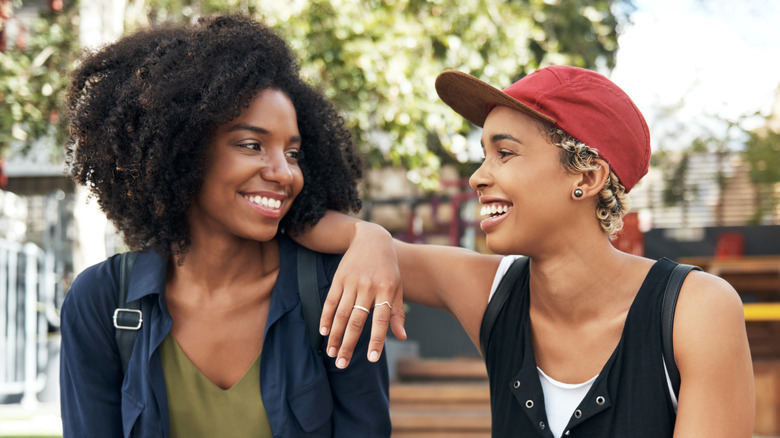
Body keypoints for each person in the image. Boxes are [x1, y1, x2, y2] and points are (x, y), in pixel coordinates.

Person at [297, 66, 755, 437]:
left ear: (586, 177)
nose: (478, 176)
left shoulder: (693, 311)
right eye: (483, 153)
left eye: (505, 154)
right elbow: (297, 222)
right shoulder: (492, 292)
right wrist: (371, 238)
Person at [59, 15, 390, 438]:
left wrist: (371, 235)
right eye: (252, 145)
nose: (284, 173)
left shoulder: (333, 294)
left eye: (292, 152)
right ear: (184, 152)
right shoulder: (103, 303)